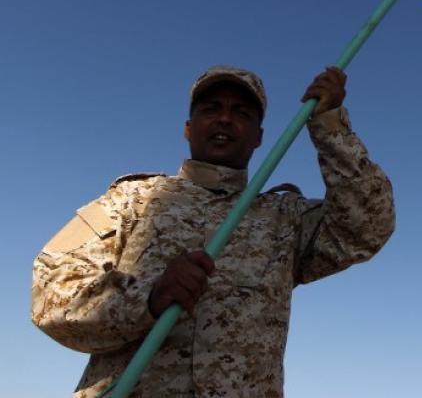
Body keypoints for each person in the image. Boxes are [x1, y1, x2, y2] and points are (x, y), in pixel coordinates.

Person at [31, 65, 395, 397]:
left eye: (242, 113)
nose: (224, 119)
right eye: (211, 109)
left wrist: (331, 127)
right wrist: (148, 298)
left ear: (258, 137)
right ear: (188, 128)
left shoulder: (286, 218)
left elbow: (366, 228)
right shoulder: (131, 200)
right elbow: (52, 292)